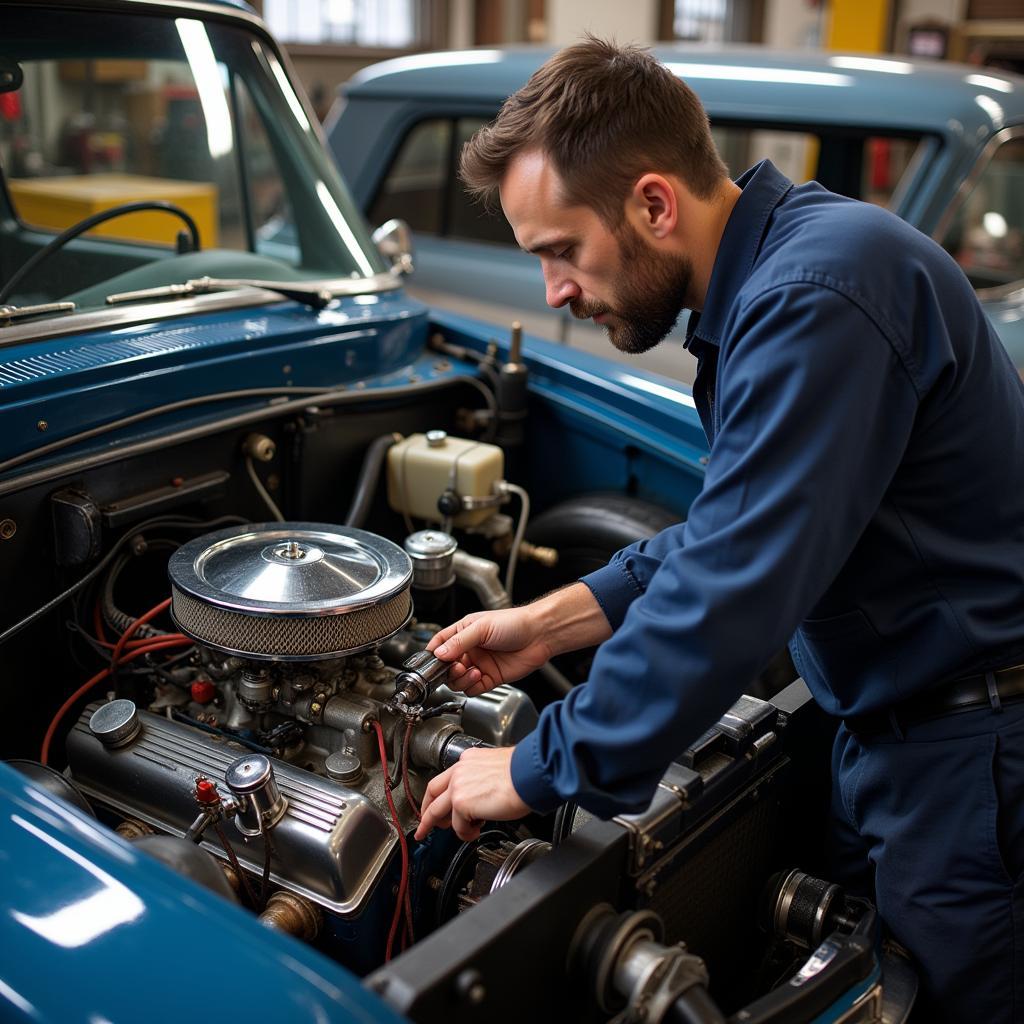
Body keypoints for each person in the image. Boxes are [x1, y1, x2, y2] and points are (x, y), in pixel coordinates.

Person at [412, 37, 1024, 1022]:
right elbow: (733, 526)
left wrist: (537, 763)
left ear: (654, 204)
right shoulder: (794, 267)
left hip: (970, 757)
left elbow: (733, 580)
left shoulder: (813, 298)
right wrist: (551, 621)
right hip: (894, 738)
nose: (553, 291)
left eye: (561, 251)